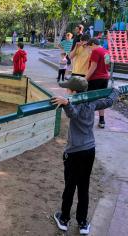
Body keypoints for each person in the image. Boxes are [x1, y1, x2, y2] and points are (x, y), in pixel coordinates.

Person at [51, 77, 120, 235]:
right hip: (89, 150)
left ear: (74, 92)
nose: (66, 91)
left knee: (70, 186)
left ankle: (64, 219)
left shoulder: (74, 103)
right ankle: (82, 222)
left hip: (74, 152)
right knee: (83, 186)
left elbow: (73, 114)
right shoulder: (93, 102)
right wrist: (115, 91)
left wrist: (66, 103)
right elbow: (108, 101)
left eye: (68, 89)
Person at [85, 38, 111, 128]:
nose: (89, 49)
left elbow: (93, 67)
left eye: (89, 47)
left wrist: (85, 79)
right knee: (101, 99)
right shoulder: (107, 52)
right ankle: (102, 120)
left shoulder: (95, 51)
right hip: (105, 78)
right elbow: (107, 65)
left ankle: (88, 121)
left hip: (95, 79)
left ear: (92, 44)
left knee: (90, 100)